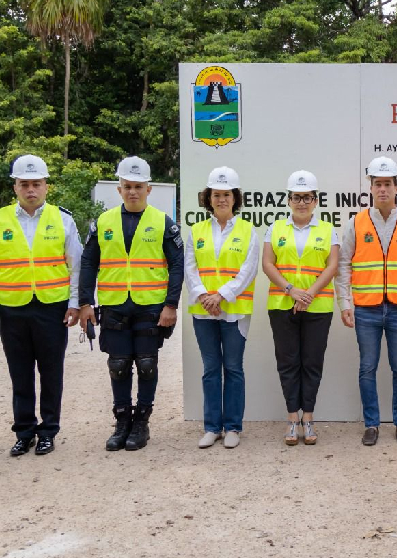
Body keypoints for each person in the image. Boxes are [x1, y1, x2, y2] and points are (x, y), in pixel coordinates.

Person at [0, 154, 82, 456]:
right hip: (12, 308)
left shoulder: (63, 219)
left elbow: (76, 266)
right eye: (24, 184)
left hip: (52, 307)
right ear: (15, 188)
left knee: (51, 372)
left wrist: (75, 302)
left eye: (36, 184)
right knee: (20, 373)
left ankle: (48, 431)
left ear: (46, 186)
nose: (31, 189)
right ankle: (24, 432)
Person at [79, 156, 183, 452]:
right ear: (119, 189)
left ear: (148, 189)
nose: (133, 192)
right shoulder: (103, 222)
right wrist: (86, 301)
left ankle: (142, 422)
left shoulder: (163, 222)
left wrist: (171, 305)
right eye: (127, 186)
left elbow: (177, 266)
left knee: (147, 365)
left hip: (150, 306)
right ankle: (122, 420)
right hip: (114, 305)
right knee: (118, 365)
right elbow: (89, 262)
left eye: (138, 187)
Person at [337, 156, 397, 446]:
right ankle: (372, 424)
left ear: (396, 187)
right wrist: (345, 304)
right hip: (366, 308)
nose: (383, 189)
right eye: (378, 184)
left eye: (388, 183)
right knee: (367, 367)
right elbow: (343, 265)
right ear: (371, 188)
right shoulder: (357, 222)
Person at [262, 170, 339, 445]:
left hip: (318, 307)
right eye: (297, 197)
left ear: (315, 200)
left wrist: (309, 294)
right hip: (282, 304)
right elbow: (268, 264)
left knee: (312, 363)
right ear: (289, 200)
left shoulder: (328, 230)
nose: (302, 202)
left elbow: (332, 266)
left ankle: (309, 417)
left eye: (307, 197)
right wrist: (291, 290)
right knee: (288, 362)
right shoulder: (276, 228)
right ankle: (292, 418)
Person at [185, 166, 258, 450]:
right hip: (204, 311)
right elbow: (191, 268)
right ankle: (212, 427)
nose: (222, 199)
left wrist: (222, 296)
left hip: (234, 310)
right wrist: (205, 295)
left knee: (233, 368)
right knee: (211, 368)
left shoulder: (248, 230)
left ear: (235, 197)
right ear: (208, 197)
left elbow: (248, 270)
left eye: (227, 194)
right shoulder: (197, 230)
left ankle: (233, 427)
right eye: (216, 194)